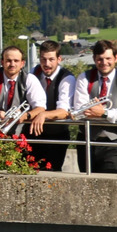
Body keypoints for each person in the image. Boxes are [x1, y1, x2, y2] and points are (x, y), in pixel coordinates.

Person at [72, 40, 117, 174]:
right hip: (86, 141)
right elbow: (79, 110)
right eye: (100, 59)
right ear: (94, 59)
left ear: (116, 58)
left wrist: (103, 113)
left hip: (113, 142)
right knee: (85, 185)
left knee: (109, 183)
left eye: (108, 58)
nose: (104, 63)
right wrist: (114, 115)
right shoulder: (84, 78)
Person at [24, 40, 75, 171]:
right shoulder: (33, 73)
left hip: (56, 136)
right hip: (32, 134)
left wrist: (43, 114)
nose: (47, 64)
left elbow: (64, 111)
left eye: (51, 59)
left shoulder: (67, 78)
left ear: (59, 59)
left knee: (52, 175)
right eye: (43, 59)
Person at [0, 46, 45, 138]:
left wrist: (25, 115)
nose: (12, 64)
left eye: (16, 61)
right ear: (2, 62)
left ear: (22, 63)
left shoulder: (30, 79)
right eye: (8, 60)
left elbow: (40, 107)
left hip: (22, 136)